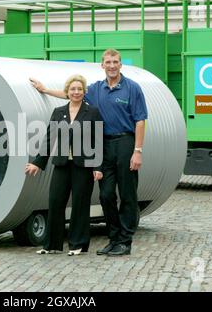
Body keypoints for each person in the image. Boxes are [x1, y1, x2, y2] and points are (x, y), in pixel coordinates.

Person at [29, 49, 148, 256]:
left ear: (121, 65)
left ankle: (125, 241)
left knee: (127, 193)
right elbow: (72, 95)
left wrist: (137, 150)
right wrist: (45, 90)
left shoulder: (132, 88)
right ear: (102, 65)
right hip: (104, 145)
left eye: (115, 62)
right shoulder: (96, 89)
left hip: (125, 141)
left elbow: (140, 120)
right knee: (106, 194)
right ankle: (113, 238)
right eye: (108, 62)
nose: (112, 65)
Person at [25, 74, 103, 256]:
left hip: (83, 166)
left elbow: (98, 141)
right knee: (55, 201)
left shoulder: (92, 112)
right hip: (61, 164)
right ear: (67, 91)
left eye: (79, 89)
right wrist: (38, 163)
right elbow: (49, 138)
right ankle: (51, 245)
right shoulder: (58, 112)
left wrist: (98, 167)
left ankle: (78, 244)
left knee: (80, 204)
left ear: (84, 92)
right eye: (73, 89)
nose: (76, 92)